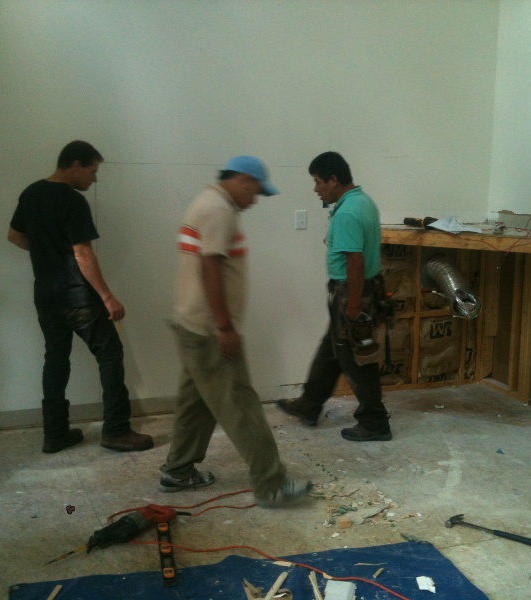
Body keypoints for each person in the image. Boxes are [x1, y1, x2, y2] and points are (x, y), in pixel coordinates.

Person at [161, 155, 311, 507]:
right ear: (244, 179)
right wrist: (225, 327)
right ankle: (271, 484)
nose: (255, 200)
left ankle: (178, 471)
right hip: (210, 330)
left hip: (191, 325)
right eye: (256, 191)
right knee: (241, 406)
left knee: (196, 404)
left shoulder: (206, 201)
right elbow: (210, 268)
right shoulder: (219, 210)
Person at [8, 140, 153, 454]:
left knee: (55, 360)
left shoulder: (31, 193)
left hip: (46, 295)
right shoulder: (72, 201)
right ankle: (116, 430)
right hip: (78, 297)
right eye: (92, 171)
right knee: (110, 354)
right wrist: (107, 297)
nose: (94, 179)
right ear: (75, 165)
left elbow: (15, 235)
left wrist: (46, 253)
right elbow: (83, 254)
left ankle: (55, 434)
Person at [277, 151, 392, 441]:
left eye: (318, 182)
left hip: (351, 293)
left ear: (333, 179)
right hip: (360, 290)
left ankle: (374, 422)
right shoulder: (363, 201)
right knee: (331, 350)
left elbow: (355, 262)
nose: (316, 189)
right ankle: (309, 404)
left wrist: (352, 307)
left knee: (355, 358)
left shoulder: (348, 213)